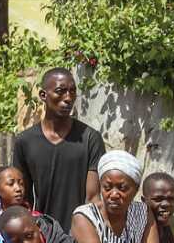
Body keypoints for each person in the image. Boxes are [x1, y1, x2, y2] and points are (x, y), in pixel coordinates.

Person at [11, 68, 107, 224]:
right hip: (44, 234)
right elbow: (23, 198)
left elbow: (93, 198)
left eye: (72, 92)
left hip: (80, 235)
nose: (68, 98)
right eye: (60, 91)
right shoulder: (25, 141)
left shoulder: (90, 139)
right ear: (43, 95)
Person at [142, 171, 174, 243]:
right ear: (144, 201)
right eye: (158, 199)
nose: (166, 204)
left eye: (171, 199)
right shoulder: (138, 228)